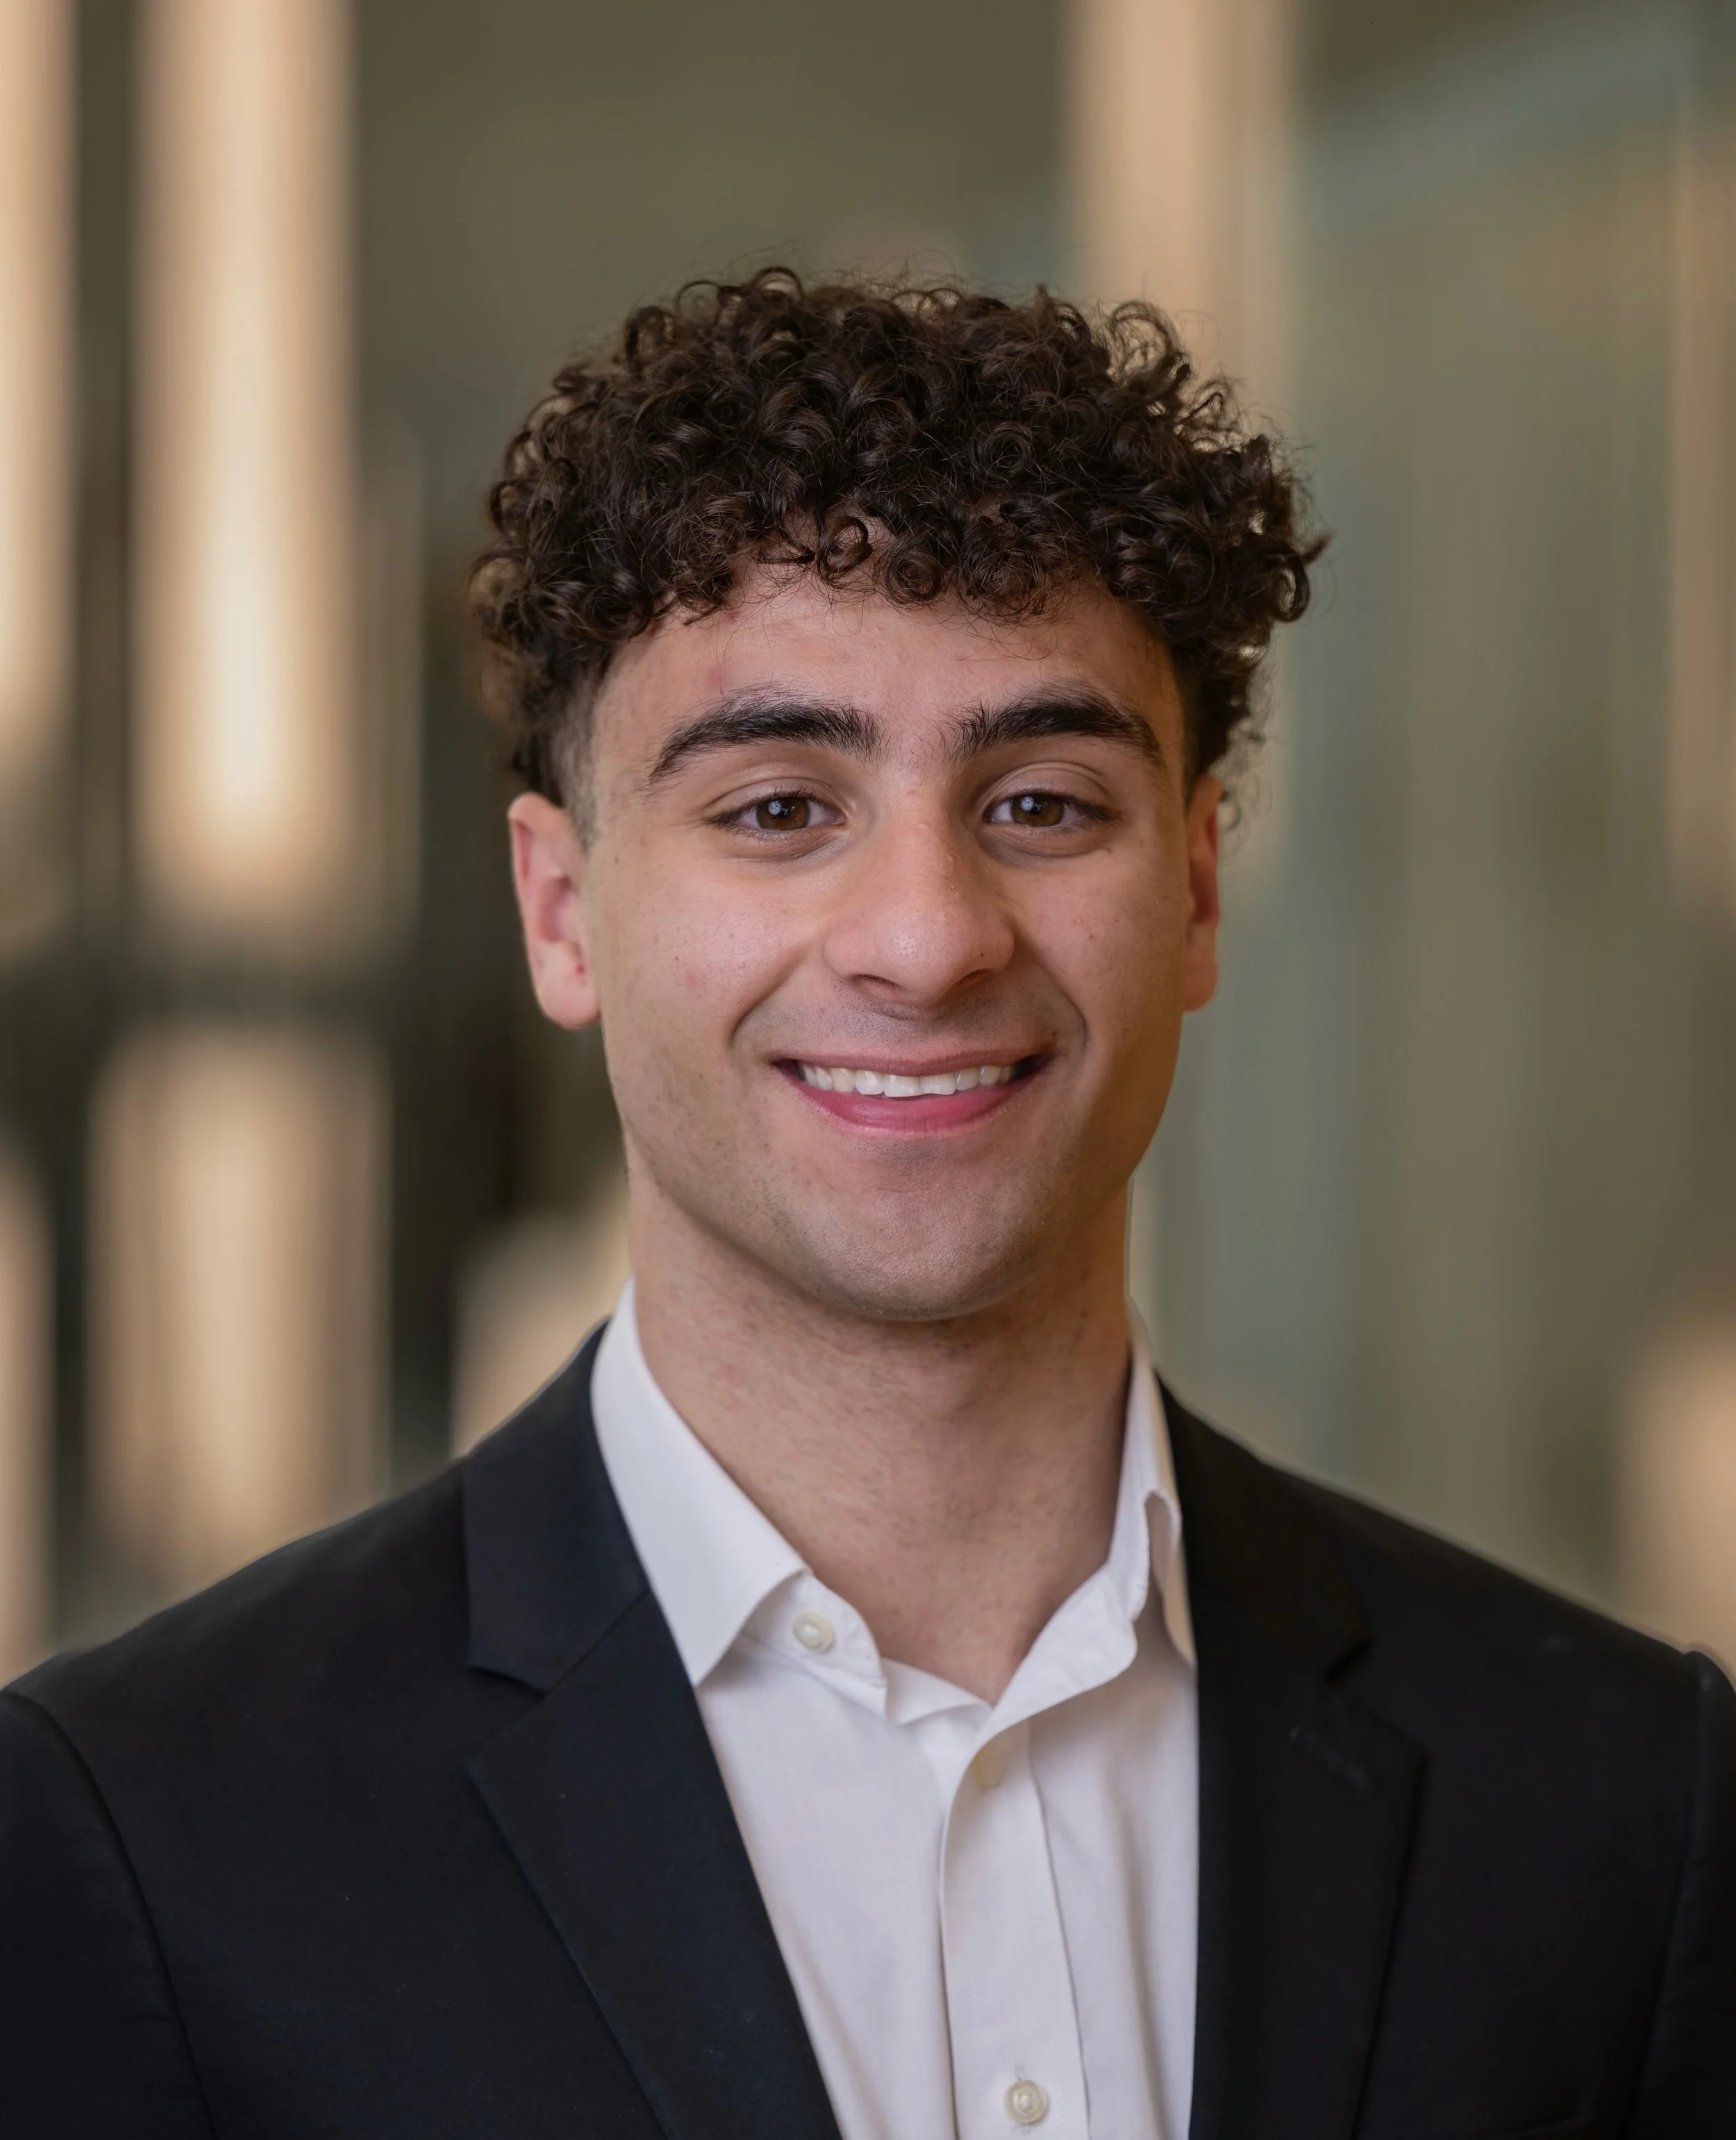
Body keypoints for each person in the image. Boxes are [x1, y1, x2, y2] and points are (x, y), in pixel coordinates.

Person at [2, 270, 1730, 2140]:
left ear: (1201, 890)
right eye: (776, 808)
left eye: (1043, 803)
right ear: (560, 912)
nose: (923, 939)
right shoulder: (139, 1838)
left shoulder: (1625, 1809)